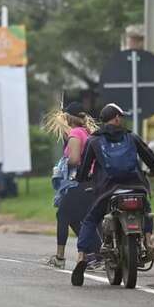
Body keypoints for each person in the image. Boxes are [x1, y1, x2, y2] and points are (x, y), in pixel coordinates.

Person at [71, 103, 154, 286]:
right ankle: (149, 241)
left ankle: (81, 256)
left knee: (90, 220)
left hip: (108, 191)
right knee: (147, 211)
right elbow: (151, 159)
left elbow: (84, 169)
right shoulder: (132, 137)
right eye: (121, 116)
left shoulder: (94, 140)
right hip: (136, 187)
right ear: (117, 118)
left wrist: (81, 178)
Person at [43, 102, 98, 269]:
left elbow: (74, 159)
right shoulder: (87, 133)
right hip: (91, 182)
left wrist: (63, 165)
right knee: (75, 218)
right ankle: (92, 254)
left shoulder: (75, 134)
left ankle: (60, 257)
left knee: (62, 215)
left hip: (77, 182)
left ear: (67, 118)